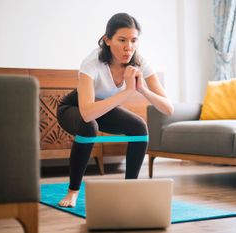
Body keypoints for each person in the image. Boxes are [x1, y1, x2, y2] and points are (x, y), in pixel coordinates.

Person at [56, 13, 174, 207]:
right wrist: (128, 90)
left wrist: (142, 88)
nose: (129, 47)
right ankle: (73, 191)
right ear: (107, 40)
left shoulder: (140, 62)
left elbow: (167, 108)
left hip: (102, 108)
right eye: (122, 40)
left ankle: (130, 190)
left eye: (134, 41)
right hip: (73, 107)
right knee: (89, 127)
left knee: (139, 127)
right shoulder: (91, 62)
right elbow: (86, 113)